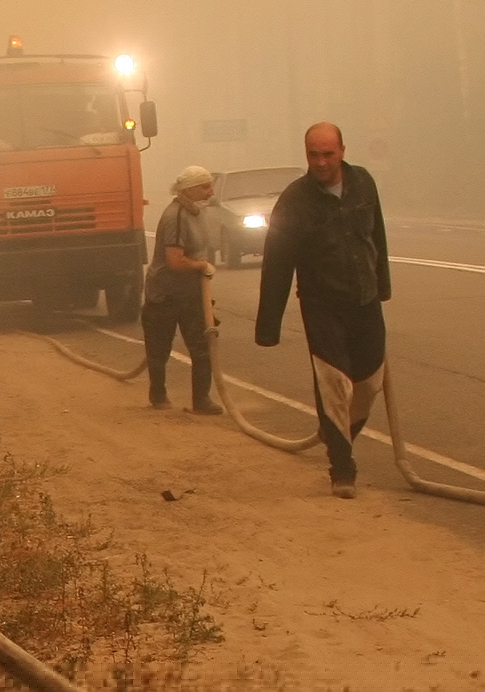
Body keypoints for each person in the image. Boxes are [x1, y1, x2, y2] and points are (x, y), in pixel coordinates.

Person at [255, 123, 391, 499]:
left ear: (343, 150)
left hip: (364, 300)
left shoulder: (364, 183)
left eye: (328, 153)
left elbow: (376, 236)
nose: (321, 162)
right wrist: (268, 327)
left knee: (369, 382)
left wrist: (383, 286)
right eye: (314, 154)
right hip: (322, 304)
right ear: (306, 154)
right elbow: (277, 263)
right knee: (334, 384)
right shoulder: (295, 201)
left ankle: (339, 437)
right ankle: (342, 468)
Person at [143, 164, 223, 414]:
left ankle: (201, 400)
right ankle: (158, 396)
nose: (211, 192)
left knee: (202, 346)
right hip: (165, 295)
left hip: (191, 293)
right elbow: (175, 261)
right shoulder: (175, 216)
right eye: (205, 187)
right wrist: (202, 265)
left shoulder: (196, 213)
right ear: (190, 190)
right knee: (159, 350)